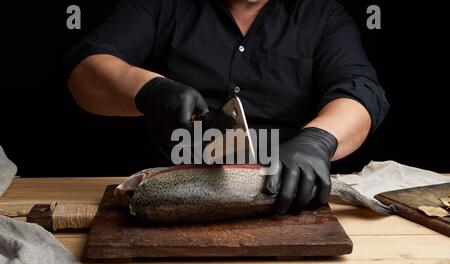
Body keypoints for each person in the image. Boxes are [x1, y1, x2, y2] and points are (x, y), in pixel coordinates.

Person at [65, 0, 390, 214]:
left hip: (290, 199)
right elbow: (85, 71)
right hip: (165, 199)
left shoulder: (322, 14)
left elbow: (362, 91)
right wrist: (149, 89)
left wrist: (318, 140)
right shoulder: (160, 4)